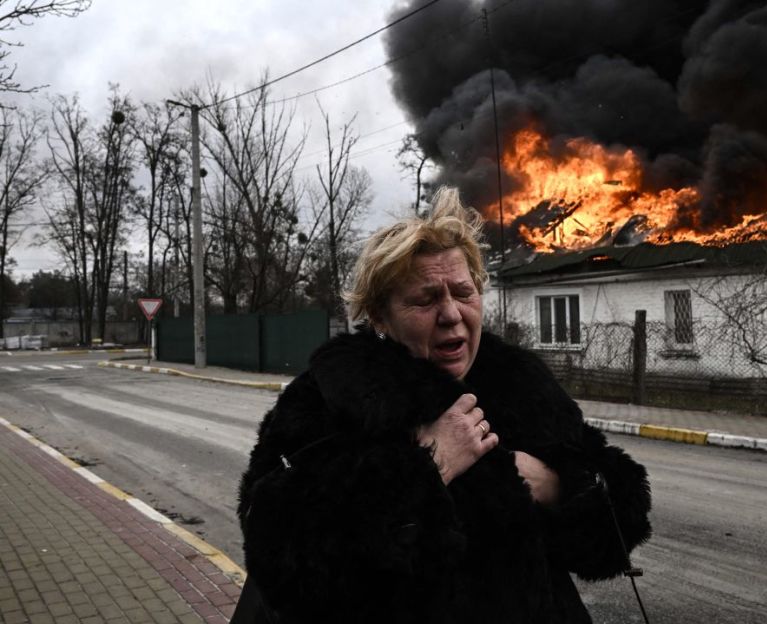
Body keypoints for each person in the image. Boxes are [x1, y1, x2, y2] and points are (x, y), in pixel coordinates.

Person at [236, 188, 652, 623]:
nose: (451, 313)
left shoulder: (520, 385)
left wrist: (559, 485)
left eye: (463, 292)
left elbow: (620, 521)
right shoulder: (333, 396)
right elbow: (281, 557)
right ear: (380, 316)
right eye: (426, 299)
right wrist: (428, 466)